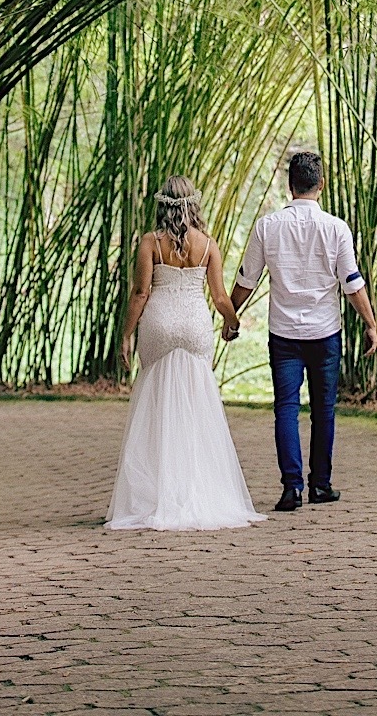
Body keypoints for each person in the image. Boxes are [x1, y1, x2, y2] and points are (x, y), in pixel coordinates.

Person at [106, 175, 265, 531]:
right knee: (196, 410)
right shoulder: (208, 244)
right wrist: (232, 322)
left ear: (161, 205)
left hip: (159, 326)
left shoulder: (151, 242)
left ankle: (157, 495)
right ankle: (197, 492)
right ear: (195, 205)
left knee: (157, 407)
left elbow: (140, 293)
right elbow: (221, 298)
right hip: (194, 326)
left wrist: (126, 336)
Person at [226, 150, 377, 511]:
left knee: (286, 408)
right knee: (324, 410)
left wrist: (231, 317)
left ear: (289, 185)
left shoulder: (267, 226)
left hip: (284, 335)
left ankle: (291, 488)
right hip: (325, 333)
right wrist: (370, 323)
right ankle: (320, 485)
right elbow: (352, 284)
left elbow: (247, 279)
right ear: (321, 185)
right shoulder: (336, 228)